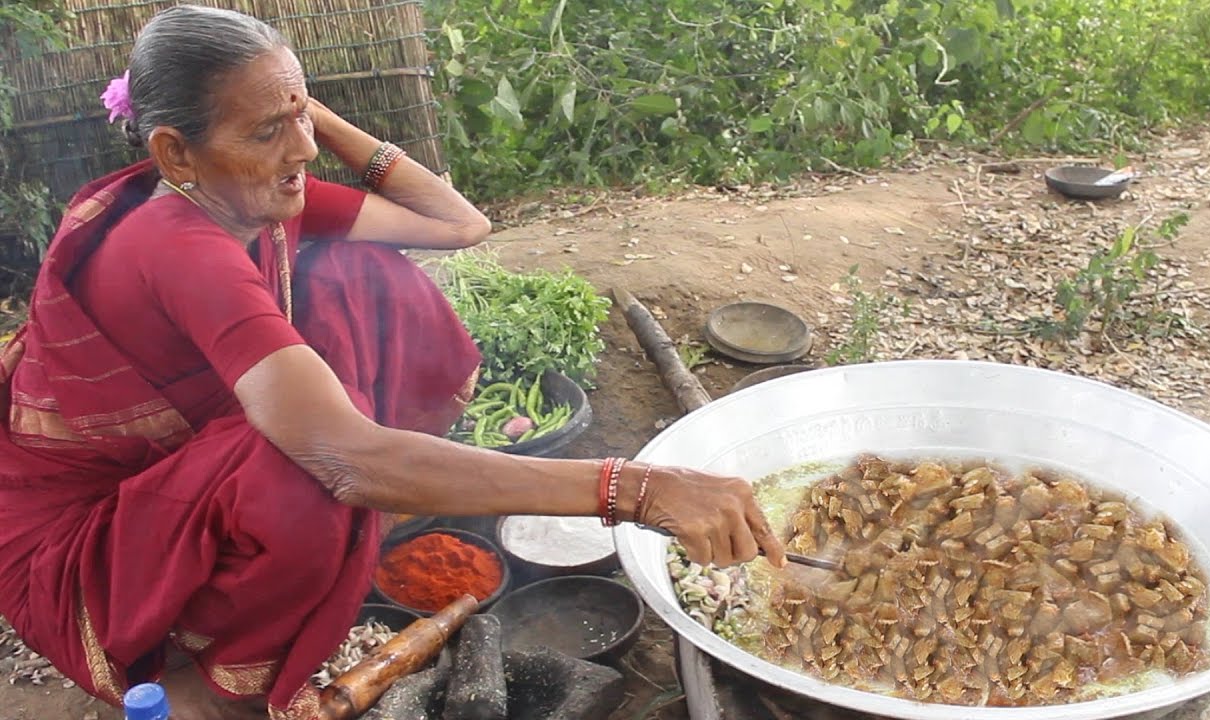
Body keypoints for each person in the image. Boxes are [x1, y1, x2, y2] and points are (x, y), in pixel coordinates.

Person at [0, 5, 785, 720]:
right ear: (175, 152)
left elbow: (457, 223)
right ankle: (213, 689)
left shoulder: (249, 194)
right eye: (267, 130)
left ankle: (322, 541)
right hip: (84, 540)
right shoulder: (177, 242)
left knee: (374, 283)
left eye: (301, 115)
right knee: (299, 472)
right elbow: (345, 459)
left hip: (175, 472)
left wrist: (305, 121)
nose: (302, 150)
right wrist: (632, 488)